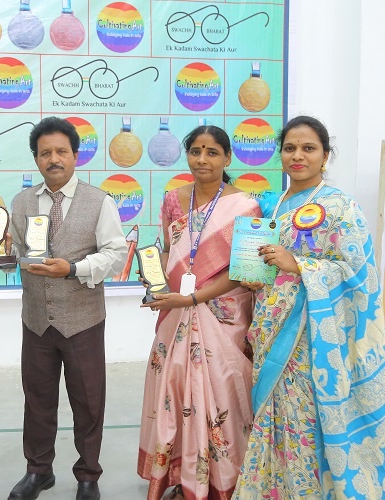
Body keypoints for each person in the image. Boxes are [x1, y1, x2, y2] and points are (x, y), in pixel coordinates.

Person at [233, 116, 385, 499]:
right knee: (270, 414)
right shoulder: (274, 205)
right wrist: (258, 277)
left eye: (308, 148)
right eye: (290, 148)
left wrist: (300, 265)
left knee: (302, 420)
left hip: (311, 337)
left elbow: (360, 274)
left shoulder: (341, 207)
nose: (297, 156)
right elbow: (268, 265)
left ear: (325, 156)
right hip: (269, 326)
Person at [137, 125, 261, 499]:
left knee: (222, 394)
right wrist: (155, 281)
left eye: (212, 152)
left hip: (224, 316)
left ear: (227, 157)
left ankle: (222, 482)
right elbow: (168, 252)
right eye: (195, 151)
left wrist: (192, 299)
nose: (202, 159)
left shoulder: (246, 206)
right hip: (175, 313)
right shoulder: (173, 200)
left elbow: (243, 272)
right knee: (174, 391)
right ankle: (182, 478)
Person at [7, 116, 128, 500]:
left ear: (76, 155)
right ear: (36, 159)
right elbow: (15, 252)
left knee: (88, 402)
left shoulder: (99, 201)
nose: (53, 159)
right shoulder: (21, 202)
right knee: (37, 400)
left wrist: (73, 269)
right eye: (45, 153)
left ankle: (88, 475)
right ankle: (38, 471)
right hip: (36, 321)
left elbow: (116, 254)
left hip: (83, 321)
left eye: (61, 151)